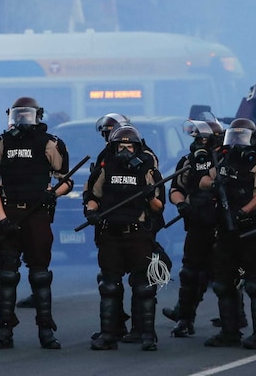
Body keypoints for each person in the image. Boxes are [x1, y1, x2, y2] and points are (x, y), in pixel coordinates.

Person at [0, 97, 71, 350]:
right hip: (9, 211)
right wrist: (2, 219)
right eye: (17, 115)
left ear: (38, 116)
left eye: (27, 115)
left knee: (40, 275)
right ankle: (4, 332)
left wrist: (53, 193)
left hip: (37, 214)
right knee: (7, 275)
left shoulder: (49, 143)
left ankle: (46, 330)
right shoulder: (1, 143)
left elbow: (65, 180)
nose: (21, 120)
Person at [83, 125, 165, 351]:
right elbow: (92, 196)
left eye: (129, 146)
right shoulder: (105, 168)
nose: (125, 150)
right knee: (109, 285)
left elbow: (159, 207)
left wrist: (149, 196)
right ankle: (109, 335)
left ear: (137, 148)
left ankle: (147, 335)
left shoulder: (147, 171)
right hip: (110, 233)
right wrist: (91, 212)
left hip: (137, 233)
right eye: (121, 146)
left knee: (144, 286)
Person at [205, 118, 256, 349]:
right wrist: (212, 184)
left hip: (251, 229)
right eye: (234, 138)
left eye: (242, 138)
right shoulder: (226, 158)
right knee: (223, 283)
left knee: (255, 284)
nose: (238, 144)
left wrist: (243, 212)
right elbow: (208, 177)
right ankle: (230, 331)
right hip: (226, 231)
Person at [165, 120, 220, 338]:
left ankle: (232, 321)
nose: (198, 143)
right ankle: (184, 318)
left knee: (225, 274)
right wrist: (181, 204)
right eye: (196, 139)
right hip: (197, 223)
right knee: (190, 273)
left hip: (222, 226)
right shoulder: (187, 161)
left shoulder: (226, 160)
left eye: (203, 139)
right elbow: (176, 188)